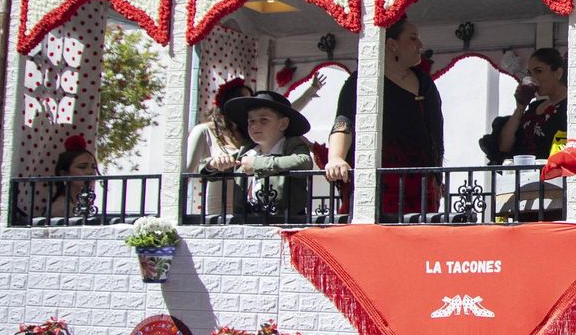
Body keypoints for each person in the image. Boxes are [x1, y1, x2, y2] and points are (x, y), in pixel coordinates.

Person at [326, 20, 445, 220]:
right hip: (377, 184)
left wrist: (437, 177)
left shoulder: (426, 84)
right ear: (392, 44)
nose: (420, 45)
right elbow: (343, 123)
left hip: (422, 186)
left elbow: (435, 136)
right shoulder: (360, 82)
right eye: (413, 38)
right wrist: (335, 158)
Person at [216, 90, 315, 219]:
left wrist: (257, 164)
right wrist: (215, 164)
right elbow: (207, 168)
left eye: (264, 120)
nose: (255, 126)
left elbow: (304, 161)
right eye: (251, 121)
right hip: (246, 220)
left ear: (283, 124)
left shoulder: (292, 145)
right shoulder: (247, 150)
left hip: (284, 221)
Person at [186, 77, 252, 218]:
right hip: (217, 213)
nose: (248, 107)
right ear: (228, 103)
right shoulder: (204, 131)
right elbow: (186, 173)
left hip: (248, 212)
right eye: (243, 101)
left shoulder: (248, 135)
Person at [497, 48, 568, 161]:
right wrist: (520, 107)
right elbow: (505, 146)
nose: (533, 78)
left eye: (538, 71)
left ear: (558, 73)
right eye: (530, 73)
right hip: (527, 174)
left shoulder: (572, 107)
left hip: (554, 174)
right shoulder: (535, 107)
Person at [45, 135, 100, 223]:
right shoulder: (61, 208)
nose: (91, 172)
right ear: (64, 173)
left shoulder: (81, 205)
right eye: (82, 167)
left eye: (93, 167)